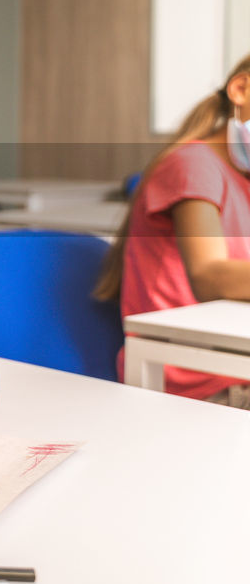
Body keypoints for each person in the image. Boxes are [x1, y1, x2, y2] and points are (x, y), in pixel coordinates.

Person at [96, 54, 250, 406]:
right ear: (241, 88)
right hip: (196, 380)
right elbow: (210, 276)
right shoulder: (194, 165)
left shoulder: (243, 180)